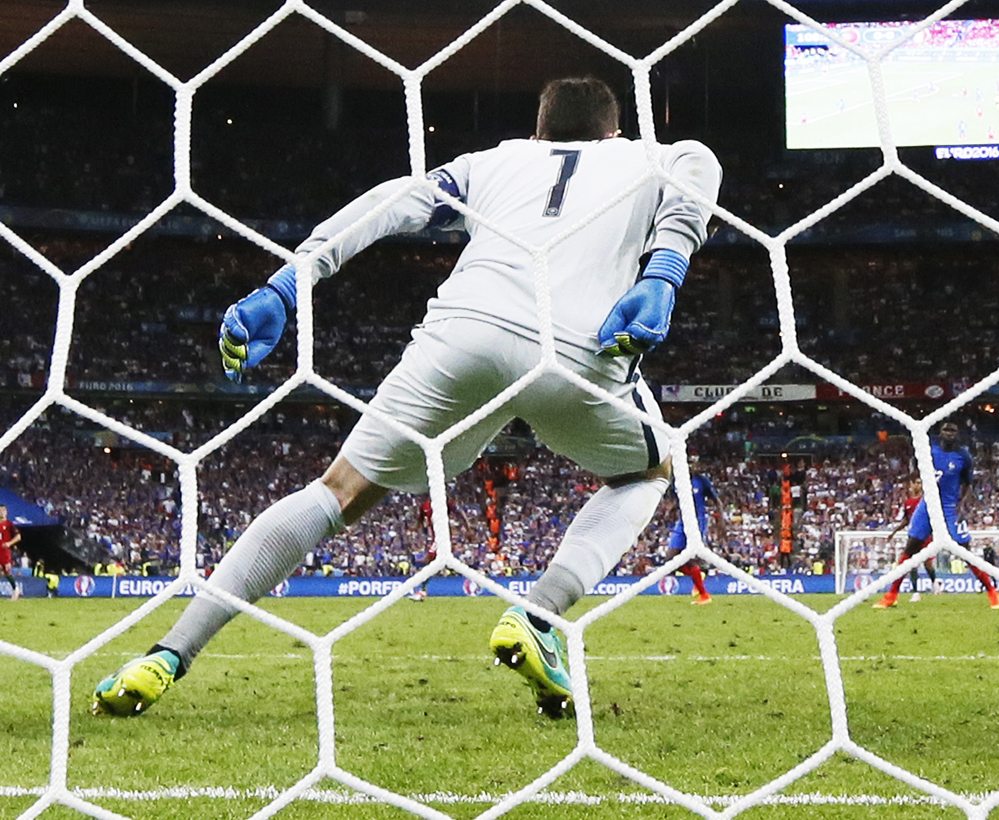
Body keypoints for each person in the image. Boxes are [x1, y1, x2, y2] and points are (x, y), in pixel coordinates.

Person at [91, 77, 722, 720]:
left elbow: (391, 204)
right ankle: (539, 614)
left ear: (538, 132)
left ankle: (168, 653)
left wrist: (288, 284)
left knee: (334, 493)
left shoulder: (493, 161)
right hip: (579, 348)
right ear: (615, 132)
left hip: (463, 337)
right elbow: (700, 166)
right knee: (652, 470)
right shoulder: (653, 156)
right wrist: (663, 274)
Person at [874, 422, 999, 610]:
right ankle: (891, 596)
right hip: (927, 505)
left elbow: (968, 483)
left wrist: (961, 506)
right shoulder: (929, 451)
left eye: (953, 430)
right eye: (946, 430)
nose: (949, 433)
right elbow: (918, 469)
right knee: (910, 550)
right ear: (940, 434)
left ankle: (992, 592)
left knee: (965, 552)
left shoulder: (963, 456)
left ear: (957, 435)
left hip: (949, 507)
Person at [665, 461, 724, 605]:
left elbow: (717, 501)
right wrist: (670, 510)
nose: (693, 466)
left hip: (697, 521)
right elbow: (676, 500)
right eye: (689, 463)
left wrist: (721, 520)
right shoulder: (677, 481)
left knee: (691, 558)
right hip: (682, 521)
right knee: (670, 558)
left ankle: (704, 595)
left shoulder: (701, 481)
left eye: (694, 463)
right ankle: (698, 574)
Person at [884, 479, 936, 603]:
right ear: (911, 484)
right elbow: (906, 520)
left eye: (919, 482)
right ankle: (916, 592)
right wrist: (894, 532)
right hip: (913, 536)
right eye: (915, 483)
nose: (917, 485)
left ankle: (935, 584)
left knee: (928, 564)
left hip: (925, 536)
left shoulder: (925, 500)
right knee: (912, 563)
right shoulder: (908, 502)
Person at [0, 505, 21, 601]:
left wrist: (9, 543)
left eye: (3, 510)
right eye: (0, 510)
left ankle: (15, 589)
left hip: (4, 552)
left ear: (6, 512)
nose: (1, 512)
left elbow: (18, 537)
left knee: (7, 572)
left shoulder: (9, 524)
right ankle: (15, 589)